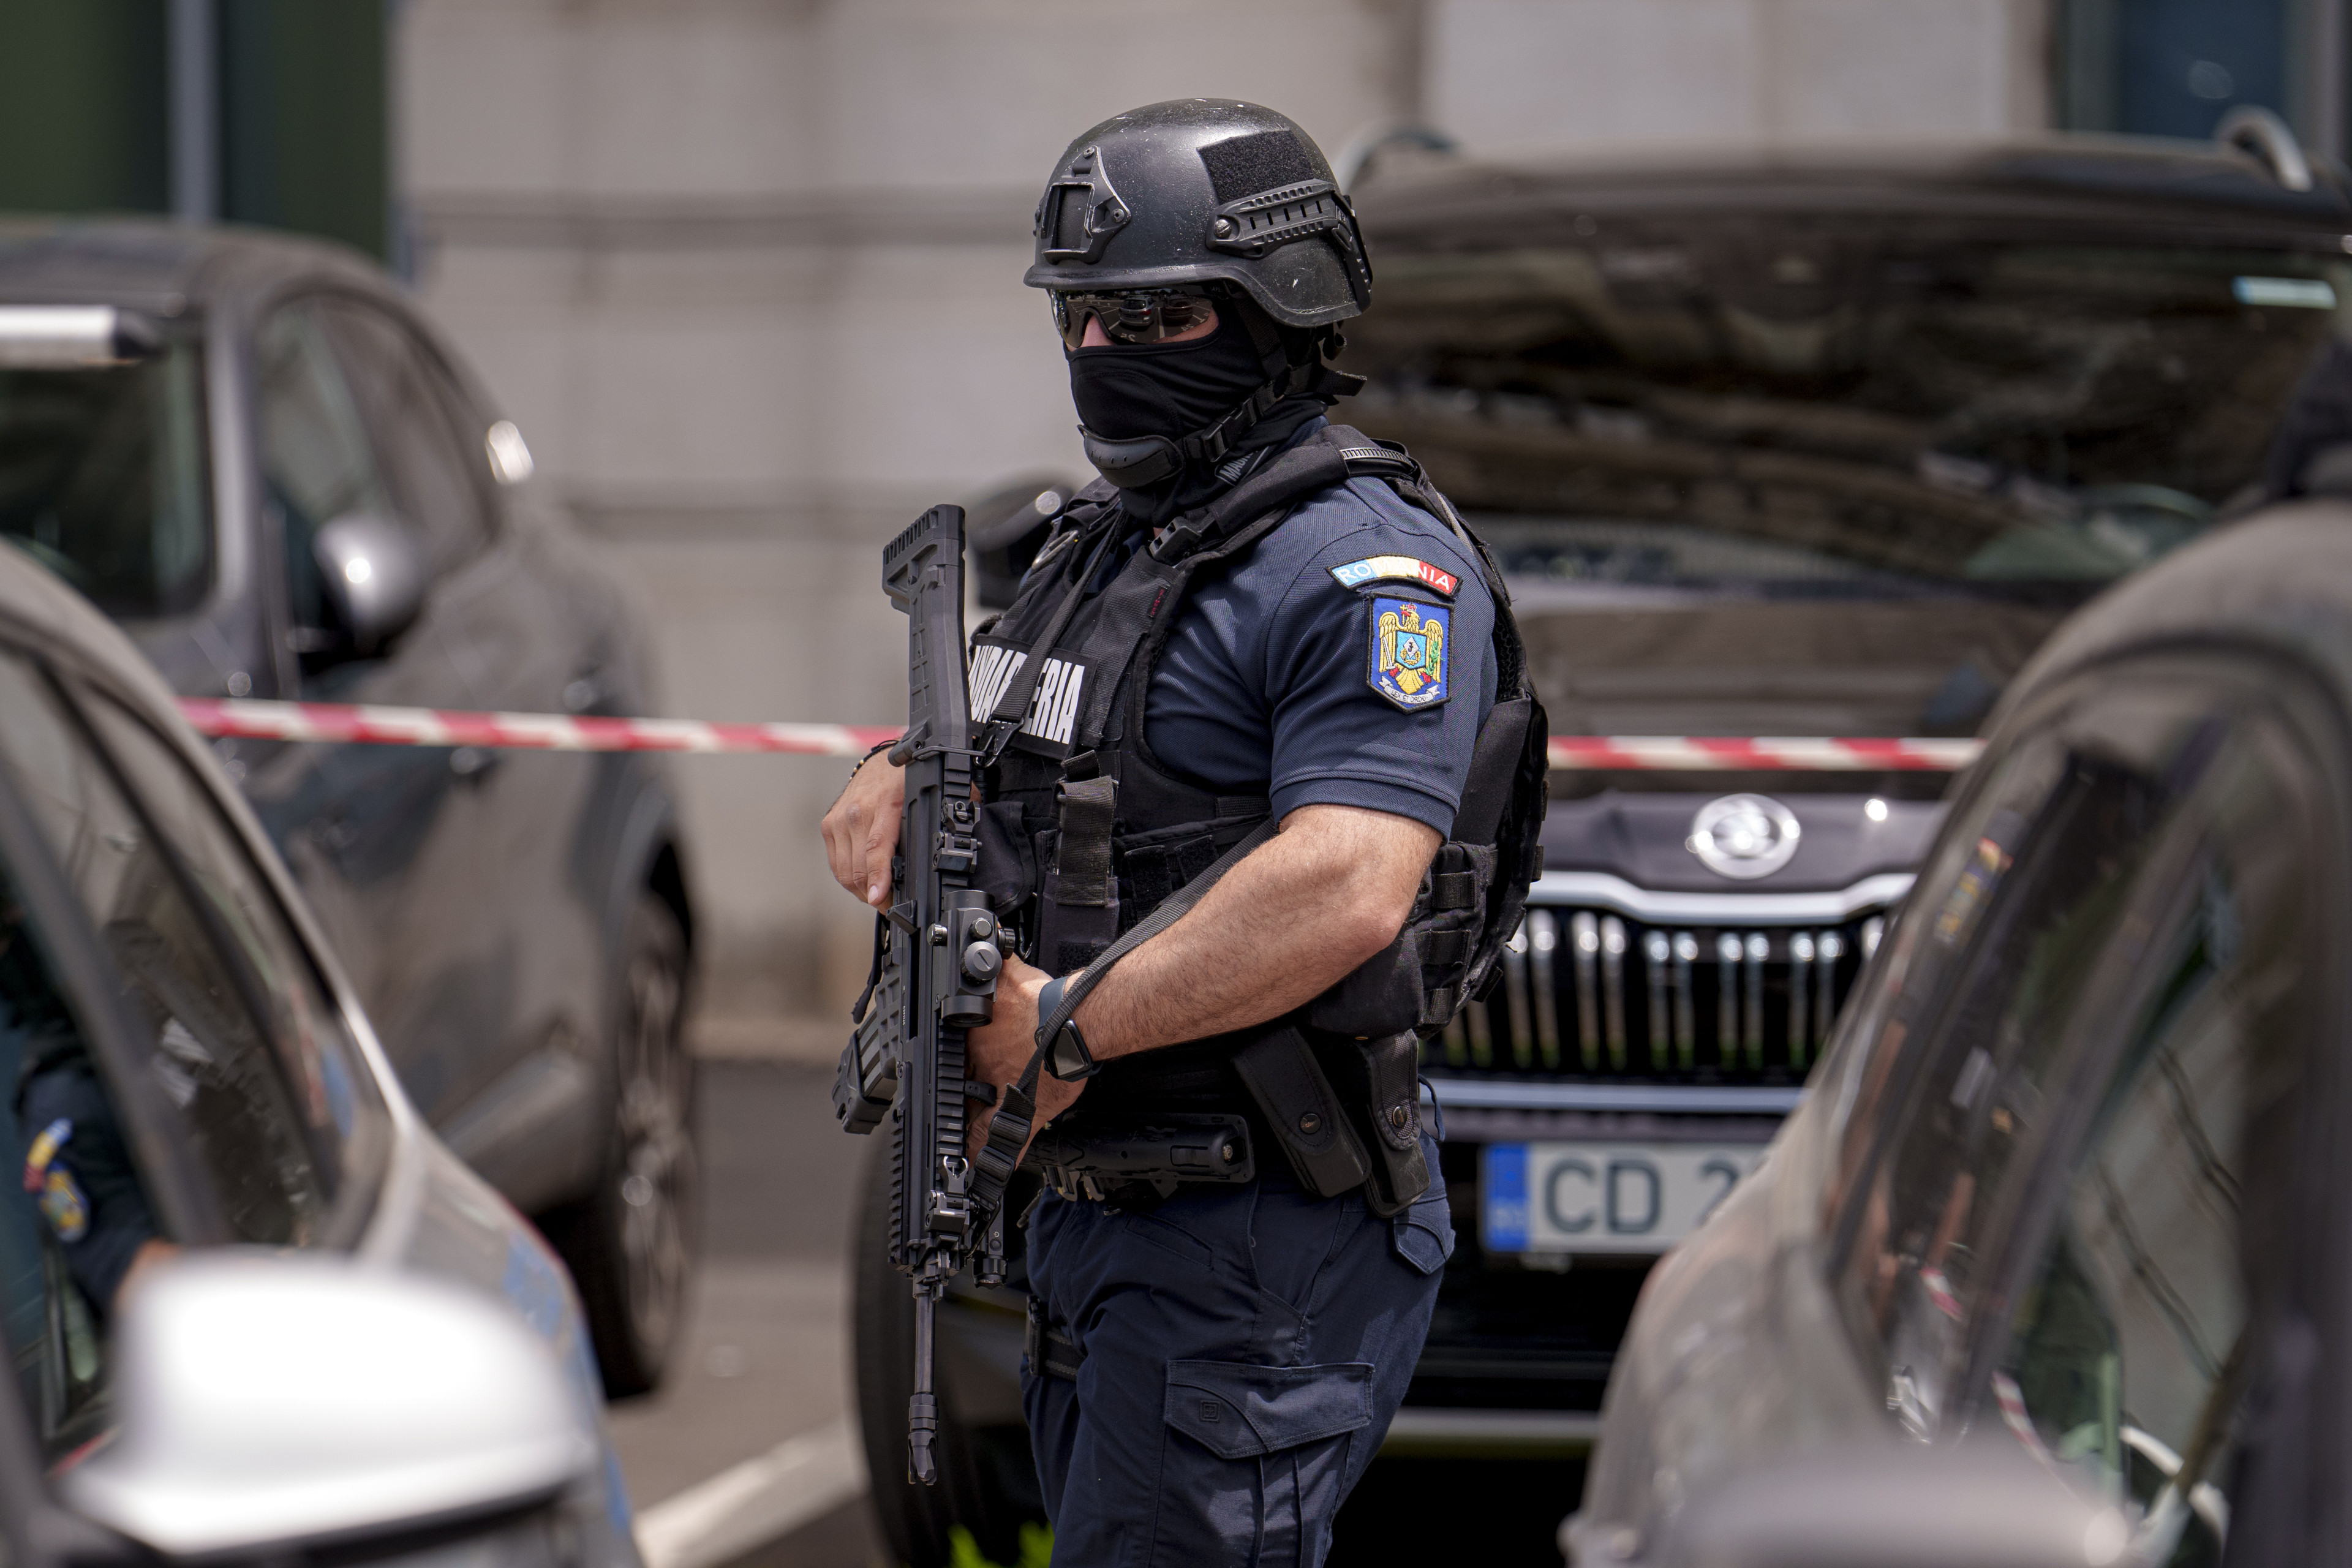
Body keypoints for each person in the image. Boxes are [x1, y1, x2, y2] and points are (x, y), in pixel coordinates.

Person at [823, 99, 1543, 1567]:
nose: (1100, 350)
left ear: (1280, 309)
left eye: (1150, 317)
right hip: (1101, 1216)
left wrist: (1065, 1025)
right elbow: (1058, 750)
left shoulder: (1360, 568)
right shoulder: (1112, 541)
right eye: (1078, 316)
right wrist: (901, 771)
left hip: (1252, 1231)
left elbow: (1350, 878)